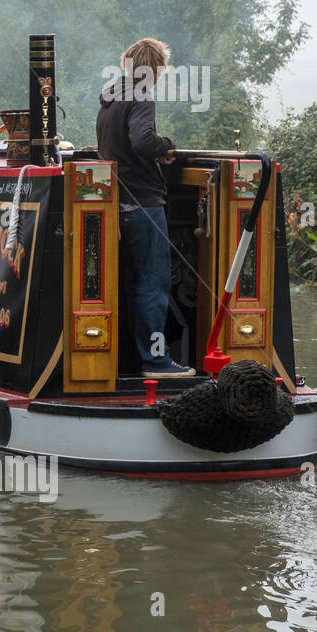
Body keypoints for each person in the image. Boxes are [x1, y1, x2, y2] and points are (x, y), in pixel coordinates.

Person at [97, 37, 194, 379]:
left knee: (135, 284)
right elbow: (141, 140)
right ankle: (156, 361)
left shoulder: (111, 97)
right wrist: (165, 146)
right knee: (153, 285)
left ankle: (131, 358)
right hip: (143, 203)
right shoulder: (140, 95)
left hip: (118, 203)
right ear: (155, 70)